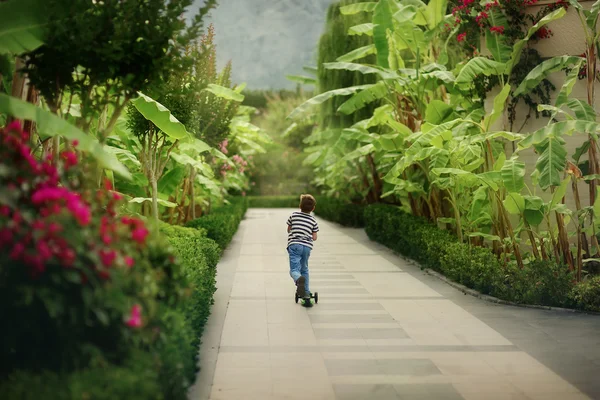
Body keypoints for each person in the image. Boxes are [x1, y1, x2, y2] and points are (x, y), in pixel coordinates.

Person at [287, 194, 319, 306]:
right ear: (313, 208)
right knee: (304, 268)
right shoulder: (313, 220)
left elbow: (288, 230)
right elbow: (314, 237)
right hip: (306, 247)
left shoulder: (293, 215)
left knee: (294, 270)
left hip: (294, 245)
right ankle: (306, 291)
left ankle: (298, 279)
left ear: (299, 205)